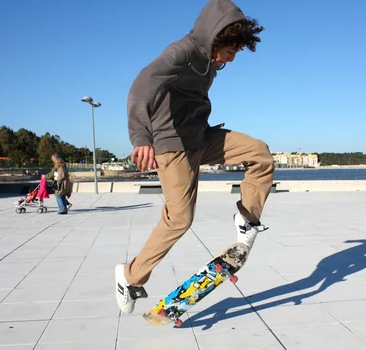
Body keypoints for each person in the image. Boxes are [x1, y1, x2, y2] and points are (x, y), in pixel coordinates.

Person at [115, 0, 274, 314]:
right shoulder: (181, 52)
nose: (232, 58)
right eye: (231, 51)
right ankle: (130, 277)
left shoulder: (208, 61)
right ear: (216, 38)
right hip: (173, 148)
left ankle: (247, 218)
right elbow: (141, 87)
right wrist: (141, 136)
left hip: (201, 138)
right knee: (180, 219)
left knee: (260, 153)